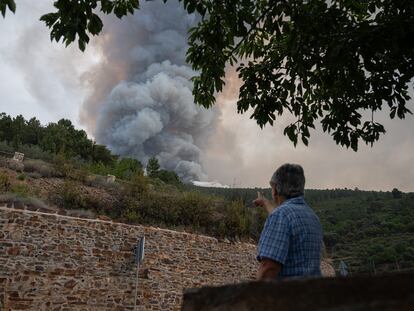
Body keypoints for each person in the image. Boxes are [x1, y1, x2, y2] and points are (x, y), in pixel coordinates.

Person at [254, 163, 323, 281]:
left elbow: (268, 268)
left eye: (272, 188)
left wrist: (254, 298)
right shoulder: (313, 217)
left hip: (288, 296)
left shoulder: (281, 215)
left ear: (275, 190)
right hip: (313, 295)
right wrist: (265, 203)